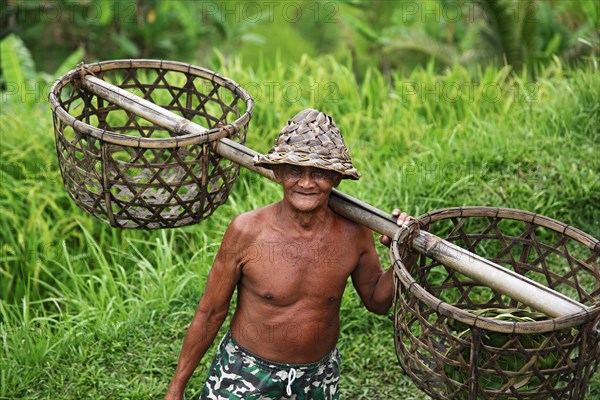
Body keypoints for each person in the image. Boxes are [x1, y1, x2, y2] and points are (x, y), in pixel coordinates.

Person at [164, 109, 413, 400]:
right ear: (279, 174)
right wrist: (176, 386)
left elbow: (377, 301)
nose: (306, 183)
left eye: (319, 172)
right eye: (296, 170)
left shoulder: (354, 233)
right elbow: (210, 312)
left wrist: (402, 254)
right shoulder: (247, 232)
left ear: (335, 178)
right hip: (245, 371)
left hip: (316, 377)